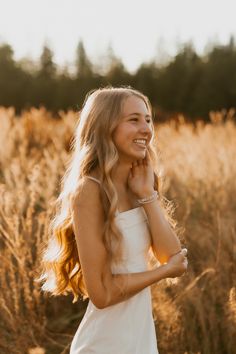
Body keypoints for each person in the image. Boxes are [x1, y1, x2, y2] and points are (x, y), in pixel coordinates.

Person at [40, 86, 188, 354]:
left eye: (148, 119)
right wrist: (162, 273)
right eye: (134, 120)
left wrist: (147, 196)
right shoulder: (89, 191)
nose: (146, 129)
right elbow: (101, 293)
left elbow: (172, 254)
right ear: (105, 126)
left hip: (140, 339)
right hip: (104, 343)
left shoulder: (142, 183)